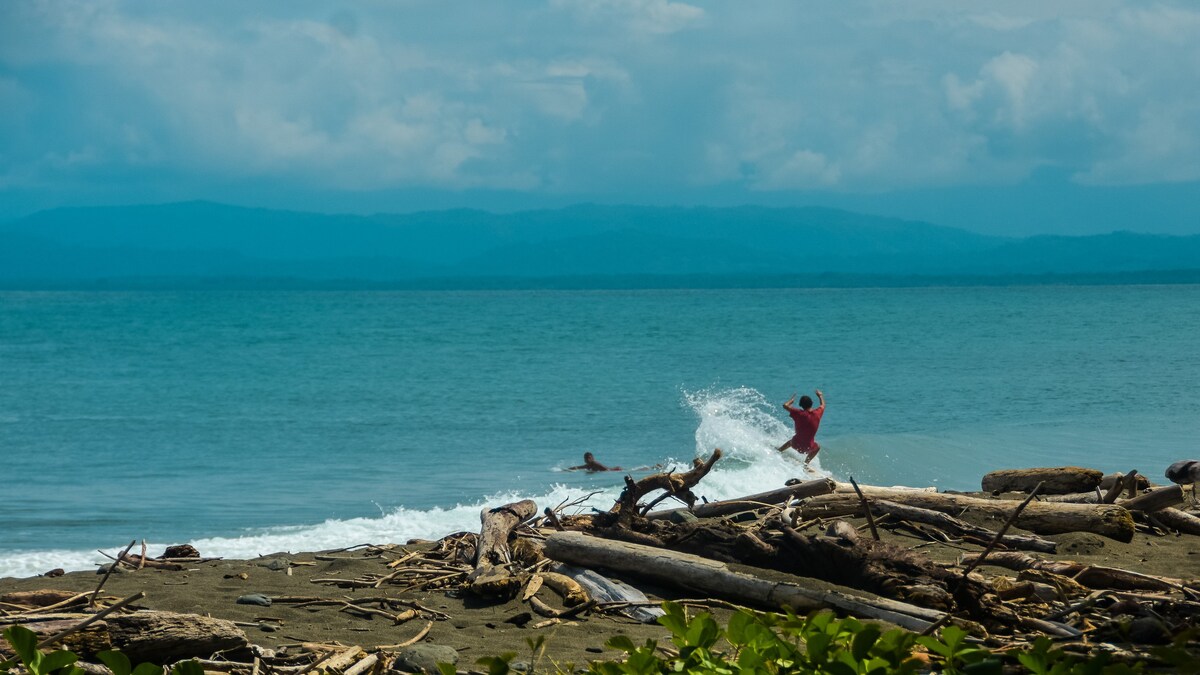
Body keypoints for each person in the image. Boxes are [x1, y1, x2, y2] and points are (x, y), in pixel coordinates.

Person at [777, 389, 825, 464]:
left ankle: (778, 451)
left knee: (790, 442)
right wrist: (820, 396)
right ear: (812, 403)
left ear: (800, 405)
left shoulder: (798, 413)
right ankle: (805, 464)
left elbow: (785, 405)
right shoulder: (817, 413)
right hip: (808, 448)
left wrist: (791, 401)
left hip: (795, 444)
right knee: (818, 447)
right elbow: (823, 405)